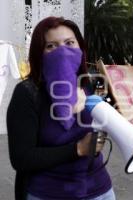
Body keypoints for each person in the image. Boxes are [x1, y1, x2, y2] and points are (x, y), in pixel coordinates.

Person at [6, 17, 116, 200]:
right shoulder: (27, 93)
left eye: (69, 43)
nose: (63, 52)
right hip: (49, 193)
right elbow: (21, 158)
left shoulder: (87, 86)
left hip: (100, 189)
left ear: (80, 49)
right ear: (38, 53)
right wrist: (78, 149)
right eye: (51, 46)